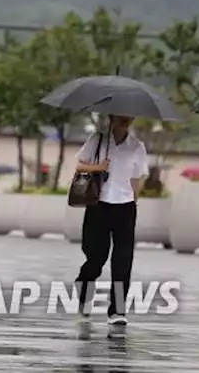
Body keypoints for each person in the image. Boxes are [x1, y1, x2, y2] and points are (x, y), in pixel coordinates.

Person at [74, 113, 147, 326]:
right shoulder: (98, 139)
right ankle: (84, 287)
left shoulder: (137, 147)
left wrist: (134, 202)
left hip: (125, 208)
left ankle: (117, 310)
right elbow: (80, 165)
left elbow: (136, 179)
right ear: (112, 117)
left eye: (129, 117)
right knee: (96, 257)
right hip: (99, 204)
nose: (126, 120)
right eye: (121, 116)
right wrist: (98, 168)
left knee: (123, 260)